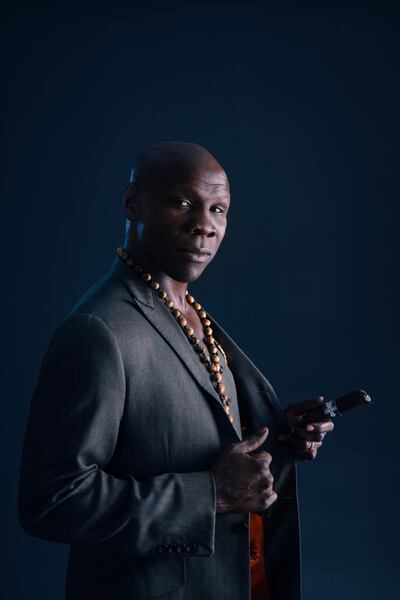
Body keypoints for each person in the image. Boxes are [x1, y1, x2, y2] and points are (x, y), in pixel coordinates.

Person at [18, 141, 334, 600]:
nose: (204, 225)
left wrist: (278, 438)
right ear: (132, 203)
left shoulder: (186, 313)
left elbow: (186, 440)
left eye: (218, 209)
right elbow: (52, 501)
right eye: (182, 203)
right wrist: (211, 495)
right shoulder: (98, 330)